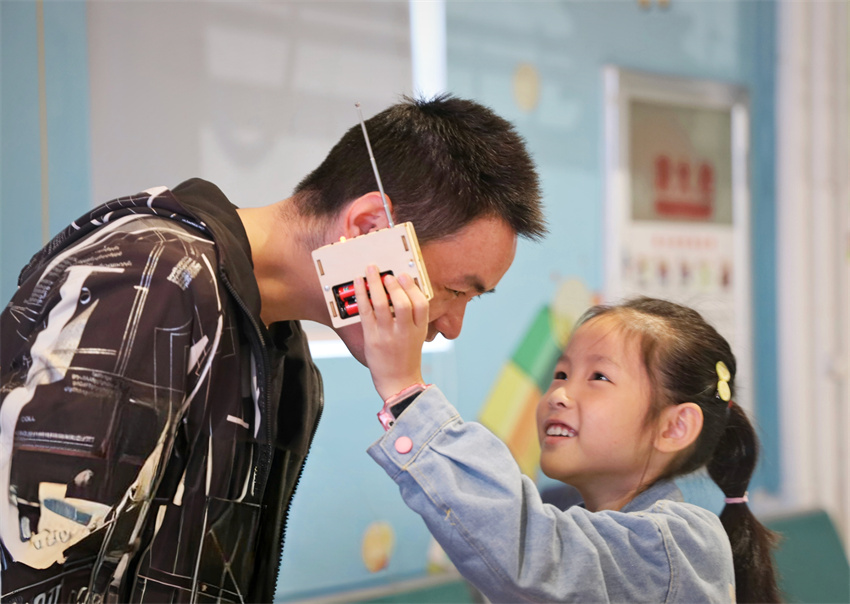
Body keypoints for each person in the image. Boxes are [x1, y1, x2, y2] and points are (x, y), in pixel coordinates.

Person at [0, 95, 546, 603]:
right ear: (369, 228)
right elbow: (36, 562)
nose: (451, 325)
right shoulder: (156, 280)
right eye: (454, 291)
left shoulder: (285, 352)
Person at [356, 272, 780, 603]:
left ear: (674, 427)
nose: (558, 394)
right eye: (560, 373)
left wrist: (406, 391)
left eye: (598, 377)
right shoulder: (587, 529)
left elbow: (528, 556)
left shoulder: (676, 542)